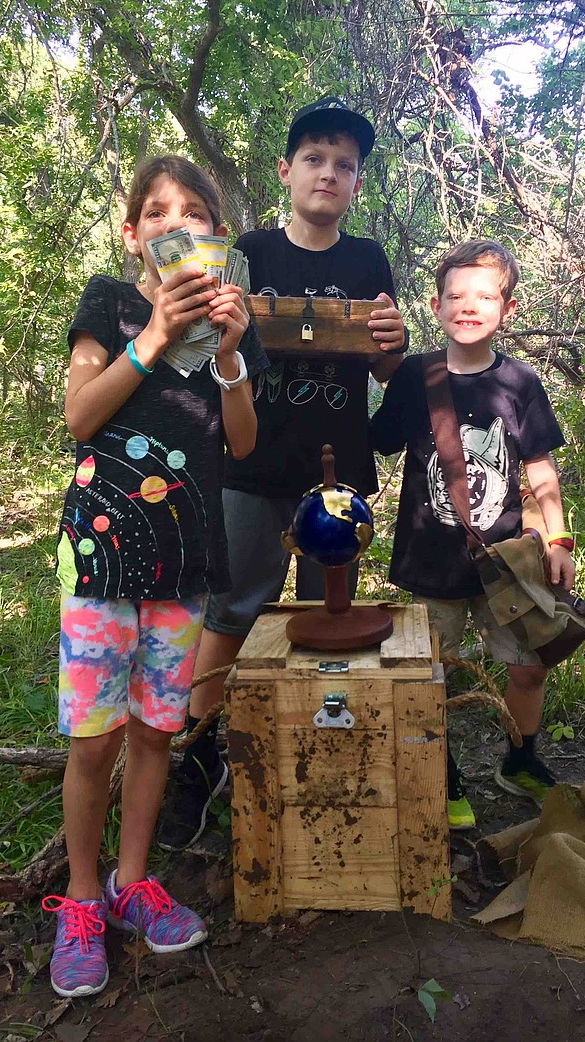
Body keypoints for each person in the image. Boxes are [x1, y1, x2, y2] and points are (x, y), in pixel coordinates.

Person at [42, 155, 268, 998]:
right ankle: (82, 896)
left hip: (186, 563)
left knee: (153, 734)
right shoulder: (107, 300)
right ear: (133, 232)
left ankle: (134, 881)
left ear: (217, 235)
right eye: (158, 210)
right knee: (94, 739)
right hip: (103, 561)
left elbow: (242, 444)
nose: (178, 223)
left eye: (197, 212)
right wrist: (154, 337)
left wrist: (232, 355)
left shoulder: (231, 322)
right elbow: (79, 414)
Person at [155, 97, 407, 850]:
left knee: (328, 620)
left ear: (357, 183)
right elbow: (199, 346)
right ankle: (193, 757)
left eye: (345, 165)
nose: (329, 174)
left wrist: (393, 342)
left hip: (339, 473)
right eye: (315, 160)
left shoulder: (367, 261)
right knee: (232, 612)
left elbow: (387, 365)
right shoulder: (250, 251)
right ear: (285, 171)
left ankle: (312, 753)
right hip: (251, 462)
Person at [369, 239, 575, 830]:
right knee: (433, 675)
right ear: (435, 305)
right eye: (455, 295)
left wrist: (557, 542)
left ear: (506, 309)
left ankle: (521, 758)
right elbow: (377, 438)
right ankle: (444, 771)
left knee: (530, 662)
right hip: (432, 565)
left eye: (484, 295)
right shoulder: (417, 376)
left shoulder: (519, 384)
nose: (468, 305)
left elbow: (539, 470)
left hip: (504, 563)